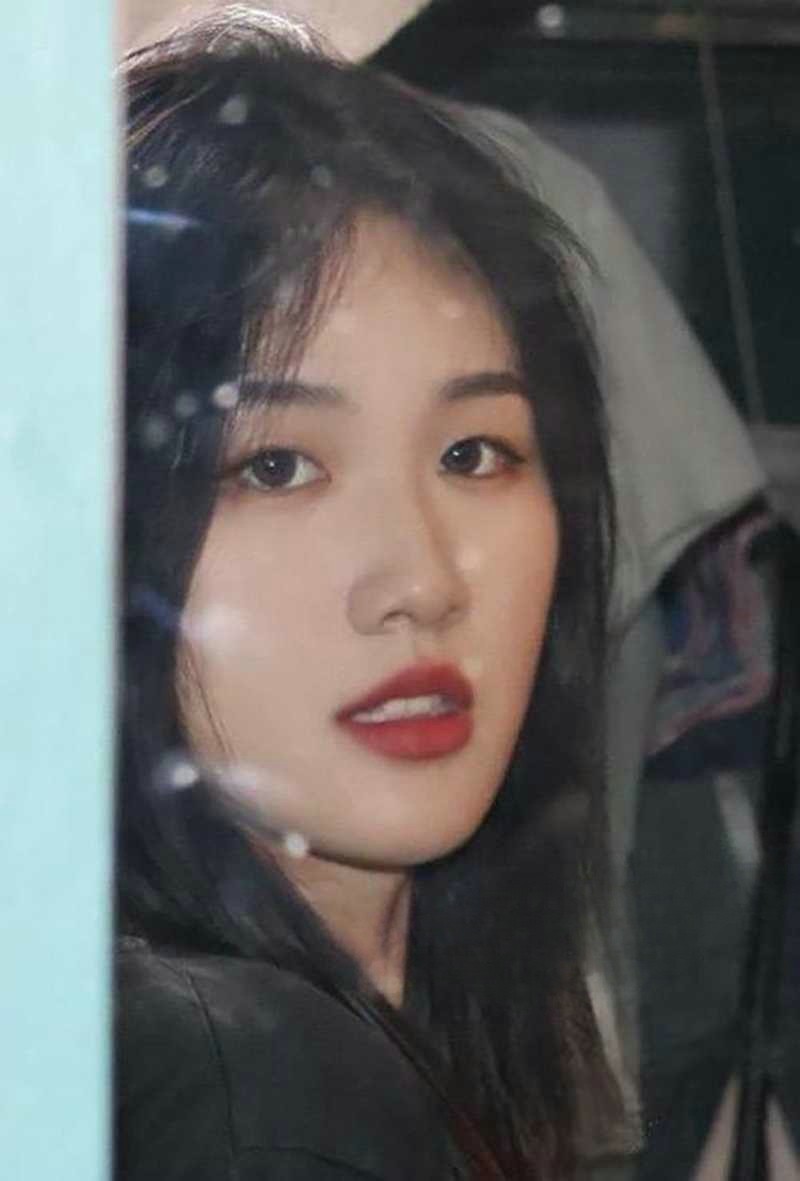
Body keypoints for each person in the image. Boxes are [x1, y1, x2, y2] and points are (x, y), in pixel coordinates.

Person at [117, 9, 620, 1179]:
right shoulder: (247, 1088)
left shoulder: (357, 1041)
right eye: (275, 467)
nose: (420, 582)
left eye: (474, 454)